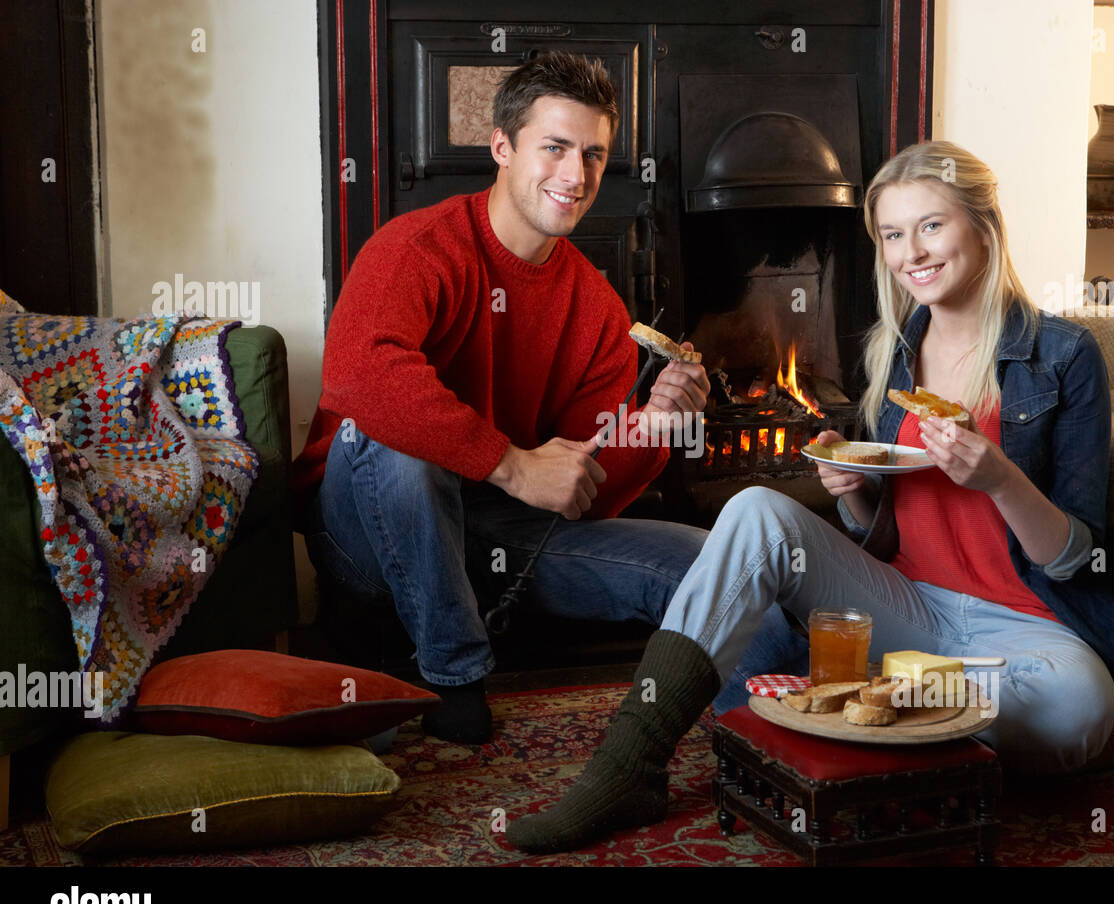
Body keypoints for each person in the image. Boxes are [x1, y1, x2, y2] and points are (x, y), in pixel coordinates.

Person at [506, 140, 1114, 855]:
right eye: (893, 235)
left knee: (1080, 705)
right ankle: (627, 768)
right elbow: (888, 534)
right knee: (753, 510)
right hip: (913, 610)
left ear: (983, 228)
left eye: (932, 226)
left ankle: (855, 711)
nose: (912, 253)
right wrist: (857, 495)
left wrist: (999, 478)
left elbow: (1078, 560)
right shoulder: (890, 352)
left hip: (1026, 631)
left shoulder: (1063, 355)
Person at [290, 51, 803, 744]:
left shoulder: (591, 299)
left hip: (499, 539)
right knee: (394, 440)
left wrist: (652, 427)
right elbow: (360, 379)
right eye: (555, 148)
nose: (577, 175)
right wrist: (511, 463)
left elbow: (585, 491)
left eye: (593, 154)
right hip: (371, 534)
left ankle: (774, 734)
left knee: (711, 561)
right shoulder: (417, 247)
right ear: (502, 147)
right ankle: (455, 680)